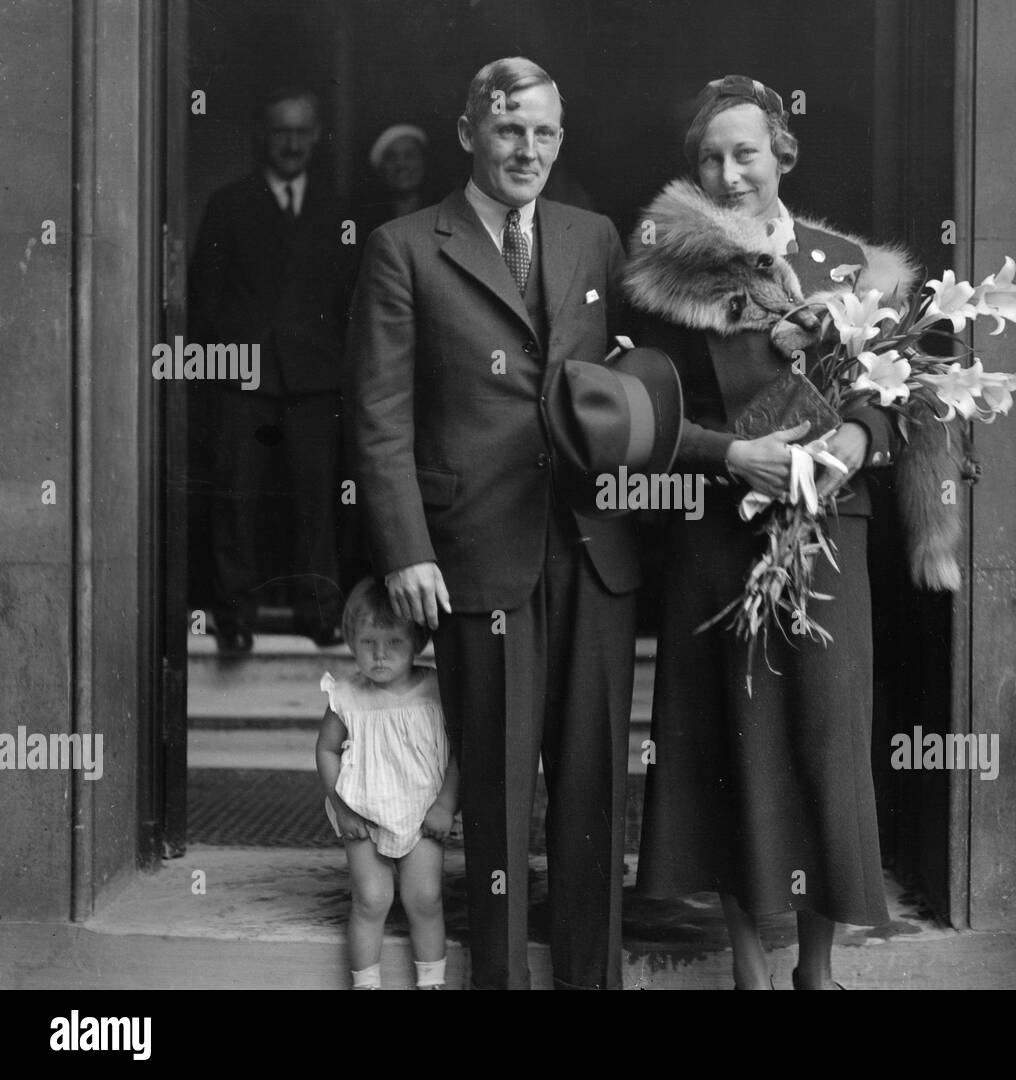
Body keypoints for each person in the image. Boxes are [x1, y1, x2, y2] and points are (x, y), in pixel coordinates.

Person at [623, 75, 951, 989]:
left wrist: (856, 433)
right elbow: (640, 415)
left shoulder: (851, 267)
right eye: (710, 158)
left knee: (822, 742)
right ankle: (748, 973)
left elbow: (900, 396)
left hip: (828, 536)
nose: (729, 174)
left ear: (783, 155)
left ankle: (814, 969)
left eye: (746, 153)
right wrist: (732, 455)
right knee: (731, 745)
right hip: (720, 536)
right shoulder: (665, 278)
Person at [346, 57, 639, 990]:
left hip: (594, 550)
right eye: (510, 128)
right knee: (500, 794)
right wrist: (406, 549)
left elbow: (637, 373)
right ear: (470, 133)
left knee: (593, 789)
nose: (528, 148)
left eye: (545, 131)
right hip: (474, 550)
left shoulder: (593, 235)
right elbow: (379, 414)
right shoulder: (404, 245)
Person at [189, 86, 357, 652]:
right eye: (281, 131)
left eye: (301, 131)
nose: (291, 143)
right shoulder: (229, 202)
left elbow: (352, 296)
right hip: (245, 379)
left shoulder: (339, 211)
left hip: (315, 380)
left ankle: (322, 614)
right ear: (265, 135)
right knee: (236, 499)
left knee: (317, 502)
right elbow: (204, 295)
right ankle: (233, 619)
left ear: (315, 136)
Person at [316, 577, 459, 991]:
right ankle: (366, 984)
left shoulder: (435, 690)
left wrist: (445, 805)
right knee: (372, 899)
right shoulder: (346, 696)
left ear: (416, 641)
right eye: (367, 643)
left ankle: (432, 982)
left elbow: (458, 752)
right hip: (361, 811)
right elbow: (326, 751)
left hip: (422, 812)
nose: (379, 656)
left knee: (424, 899)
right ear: (351, 640)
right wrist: (342, 809)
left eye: (393, 643)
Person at [357, 123, 436, 237]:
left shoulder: (446, 214)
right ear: (381, 168)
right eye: (391, 157)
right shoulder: (364, 220)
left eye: (409, 155)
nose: (401, 165)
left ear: (424, 161)